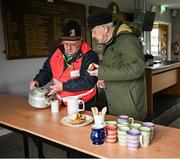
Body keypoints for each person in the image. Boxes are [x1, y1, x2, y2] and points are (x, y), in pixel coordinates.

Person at [87, 11, 147, 120]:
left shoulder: (127, 40)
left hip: (129, 106)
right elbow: (117, 68)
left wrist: (102, 72)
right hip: (118, 103)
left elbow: (137, 69)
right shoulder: (112, 41)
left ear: (105, 28)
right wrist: (104, 79)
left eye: (94, 31)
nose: (92, 35)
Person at [29, 20, 99, 110]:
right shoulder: (57, 51)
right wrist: (37, 81)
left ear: (80, 41)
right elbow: (47, 70)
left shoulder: (90, 55)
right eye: (66, 44)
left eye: (73, 44)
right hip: (61, 103)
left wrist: (63, 86)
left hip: (83, 104)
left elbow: (88, 81)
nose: (69, 48)